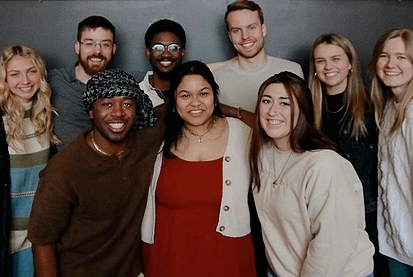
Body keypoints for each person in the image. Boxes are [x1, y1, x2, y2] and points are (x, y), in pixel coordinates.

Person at [28, 69, 165, 277]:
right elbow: (42, 241)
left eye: (127, 103)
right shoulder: (63, 170)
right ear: (91, 111)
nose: (118, 112)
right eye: (107, 104)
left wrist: (232, 111)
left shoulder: (145, 140)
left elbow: (186, 104)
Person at [250, 71, 374, 277]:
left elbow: (333, 243)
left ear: (303, 110)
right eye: (266, 101)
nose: (273, 111)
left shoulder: (324, 164)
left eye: (285, 103)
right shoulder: (263, 153)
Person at [141, 60, 256, 276]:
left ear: (215, 95)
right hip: (168, 256)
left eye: (203, 93)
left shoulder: (244, 134)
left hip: (228, 256)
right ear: (174, 101)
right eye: (185, 95)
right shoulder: (157, 137)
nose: (195, 102)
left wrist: (237, 112)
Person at [308, 33, 387, 276]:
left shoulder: (372, 106)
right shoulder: (306, 111)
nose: (328, 67)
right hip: (319, 215)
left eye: (335, 59)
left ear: (350, 63)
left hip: (366, 214)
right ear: (314, 68)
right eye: (321, 61)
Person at [0, 45, 60, 276]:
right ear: (5, 78)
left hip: (34, 237)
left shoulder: (47, 117)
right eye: (15, 74)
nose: (24, 80)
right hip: (6, 235)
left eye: (31, 71)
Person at [368, 28, 413, 276]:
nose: (390, 64)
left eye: (401, 57)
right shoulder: (388, 108)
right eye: (384, 56)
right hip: (397, 243)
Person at [212, 0, 303, 113]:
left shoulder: (293, 71)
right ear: (230, 36)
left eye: (251, 27)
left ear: (263, 29)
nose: (245, 36)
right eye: (236, 30)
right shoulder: (216, 78)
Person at [50, 15, 117, 150]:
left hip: (109, 167)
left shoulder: (125, 84)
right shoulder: (54, 79)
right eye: (89, 43)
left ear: (113, 49)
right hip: (65, 168)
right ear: (77, 47)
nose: (97, 51)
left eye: (105, 44)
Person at [139, 19, 186, 107]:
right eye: (158, 48)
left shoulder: (195, 91)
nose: (166, 54)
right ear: (148, 52)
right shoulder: (136, 94)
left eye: (173, 48)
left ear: (182, 52)